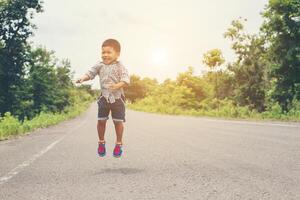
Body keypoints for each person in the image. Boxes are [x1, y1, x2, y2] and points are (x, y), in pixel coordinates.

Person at [76, 39, 130, 158]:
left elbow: (126, 80)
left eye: (109, 52)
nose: (105, 55)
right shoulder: (99, 65)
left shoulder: (120, 66)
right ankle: (101, 142)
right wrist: (82, 79)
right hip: (104, 98)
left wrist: (117, 85)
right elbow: (90, 73)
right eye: (103, 52)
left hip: (117, 99)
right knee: (101, 121)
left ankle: (119, 143)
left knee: (118, 122)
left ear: (117, 54)